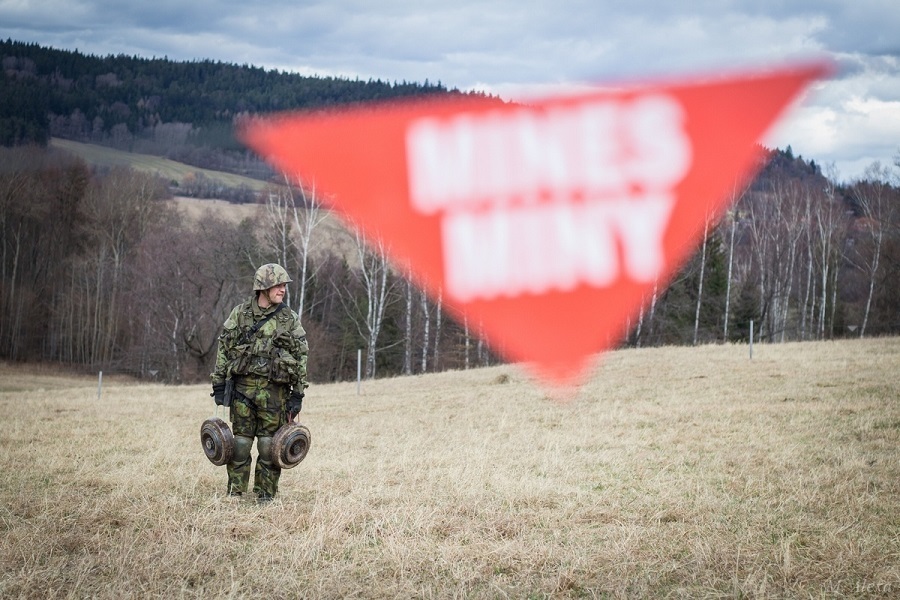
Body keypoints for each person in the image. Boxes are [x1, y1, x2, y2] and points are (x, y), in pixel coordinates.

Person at [210, 263, 309, 502]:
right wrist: (219, 383)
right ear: (263, 287)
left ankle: (265, 495)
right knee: (240, 444)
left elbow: (301, 355)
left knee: (269, 446)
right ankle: (235, 493)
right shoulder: (240, 314)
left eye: (284, 285)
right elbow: (224, 348)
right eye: (278, 285)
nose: (283, 289)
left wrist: (298, 394)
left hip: (275, 394)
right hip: (242, 392)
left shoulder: (289, 318)